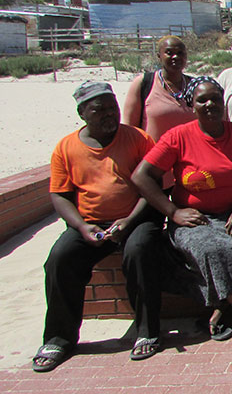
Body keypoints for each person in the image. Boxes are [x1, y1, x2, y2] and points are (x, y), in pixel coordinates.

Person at [132, 77, 232, 342]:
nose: (210, 104)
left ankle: (221, 306)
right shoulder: (178, 137)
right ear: (192, 105)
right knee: (212, 251)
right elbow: (141, 176)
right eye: (202, 100)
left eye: (216, 98)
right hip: (195, 218)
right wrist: (173, 212)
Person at [33, 82, 165, 372]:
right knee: (59, 259)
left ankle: (147, 331)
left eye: (112, 107)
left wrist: (129, 221)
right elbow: (60, 195)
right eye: (99, 109)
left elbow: (154, 185)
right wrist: (81, 227)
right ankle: (59, 338)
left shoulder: (138, 138)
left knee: (140, 250)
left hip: (137, 218)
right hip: (90, 224)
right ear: (83, 113)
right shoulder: (66, 147)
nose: (109, 114)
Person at [122, 35, 195, 142]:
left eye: (180, 53)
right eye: (169, 53)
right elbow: (130, 130)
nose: (175, 57)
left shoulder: (195, 86)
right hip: (153, 157)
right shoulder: (144, 83)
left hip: (190, 156)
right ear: (159, 56)